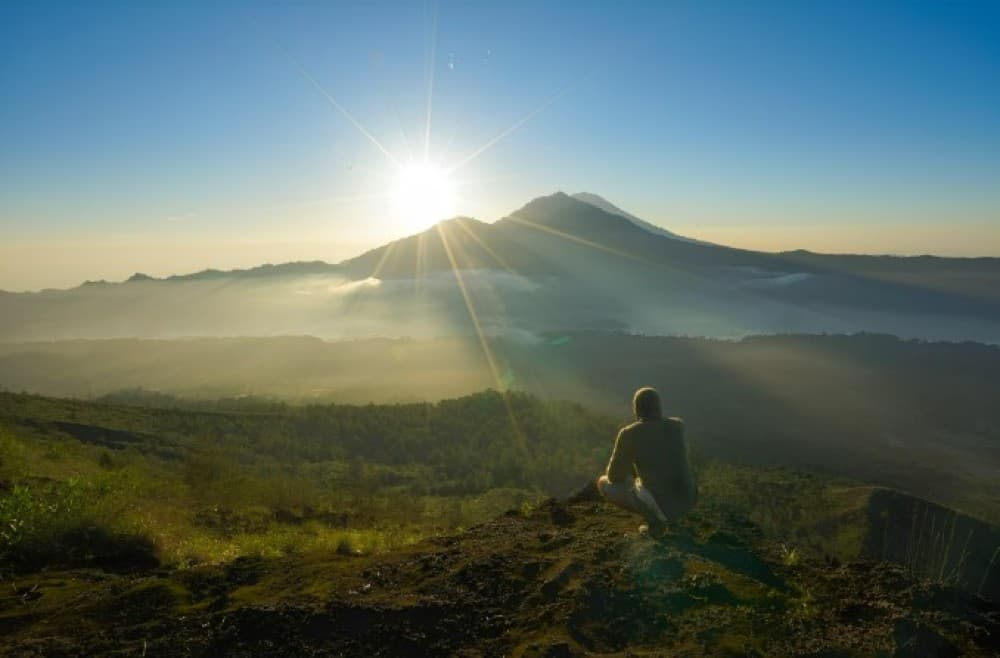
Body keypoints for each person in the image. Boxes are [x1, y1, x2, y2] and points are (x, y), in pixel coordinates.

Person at [596, 386, 697, 537]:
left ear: (636, 410)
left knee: (604, 484)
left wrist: (630, 464)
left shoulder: (629, 433)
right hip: (688, 499)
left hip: (662, 506)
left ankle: (656, 522)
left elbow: (614, 477)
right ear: (659, 407)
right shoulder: (677, 426)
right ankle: (672, 518)